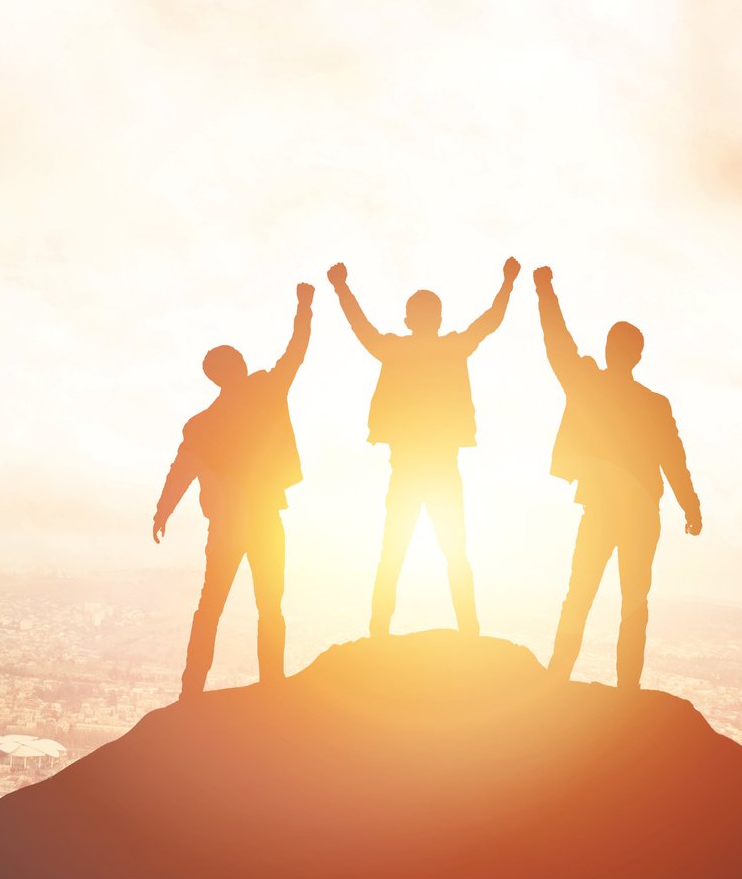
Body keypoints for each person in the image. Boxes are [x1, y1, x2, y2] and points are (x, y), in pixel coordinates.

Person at [327, 258, 518, 638]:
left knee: (395, 551)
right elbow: (489, 322)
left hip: (411, 468)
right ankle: (468, 632)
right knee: (451, 552)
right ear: (438, 319)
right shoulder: (451, 348)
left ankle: (380, 632)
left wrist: (341, 287)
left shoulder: (398, 350)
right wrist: (507, 283)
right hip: (440, 468)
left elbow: (361, 328)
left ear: (408, 319)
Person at [533, 265, 702, 690]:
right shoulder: (655, 404)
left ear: (609, 349)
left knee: (580, 593)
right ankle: (627, 689)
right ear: (638, 357)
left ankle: (557, 677)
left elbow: (558, 342)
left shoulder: (588, 384)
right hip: (642, 513)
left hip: (602, 509)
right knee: (634, 602)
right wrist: (691, 507)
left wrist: (545, 290)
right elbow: (674, 461)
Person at [153, 282, 313, 699]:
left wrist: (163, 511)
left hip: (227, 525)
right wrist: (304, 306)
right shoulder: (266, 390)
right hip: (263, 517)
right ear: (231, 369)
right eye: (237, 360)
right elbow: (296, 351)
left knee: (212, 607)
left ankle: (191, 691)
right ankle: (272, 685)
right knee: (268, 605)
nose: (243, 363)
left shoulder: (202, 424)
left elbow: (180, 472)